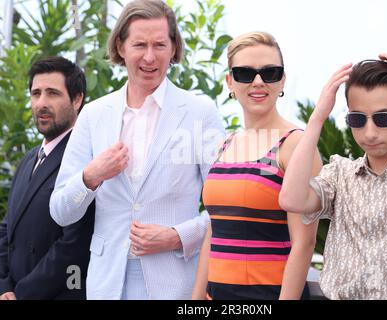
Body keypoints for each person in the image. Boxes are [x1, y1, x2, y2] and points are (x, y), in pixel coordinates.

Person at [49, 0, 224, 300]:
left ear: (173, 48)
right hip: (107, 284)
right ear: (120, 46)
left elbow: (225, 209)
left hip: (176, 283)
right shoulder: (93, 114)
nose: (149, 56)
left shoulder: (200, 112)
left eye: (159, 44)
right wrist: (90, 176)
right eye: (139, 44)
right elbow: (60, 211)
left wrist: (176, 237)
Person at [279, 54, 387, 299]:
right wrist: (318, 117)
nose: (369, 132)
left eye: (382, 118)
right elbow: (291, 200)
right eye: (357, 119)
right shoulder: (340, 174)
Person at [192, 32, 321, 300]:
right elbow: (214, 232)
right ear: (230, 81)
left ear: (282, 80)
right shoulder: (225, 145)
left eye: (270, 73)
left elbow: (304, 244)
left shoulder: (295, 145)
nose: (258, 82)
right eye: (245, 73)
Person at [0, 56, 95, 300]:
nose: (41, 103)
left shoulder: (87, 162)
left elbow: (74, 245)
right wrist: (4, 286)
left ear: (77, 99)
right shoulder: (29, 160)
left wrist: (21, 293)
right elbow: (7, 229)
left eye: (52, 93)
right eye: (36, 93)